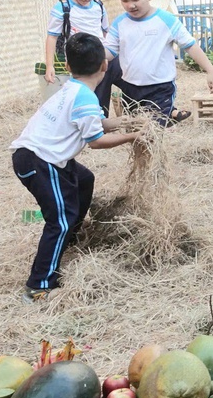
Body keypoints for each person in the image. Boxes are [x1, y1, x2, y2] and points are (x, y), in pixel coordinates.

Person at [11, 33, 143, 301]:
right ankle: (39, 285)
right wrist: (133, 137)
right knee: (58, 220)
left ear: (68, 67)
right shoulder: (84, 97)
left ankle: (71, 235)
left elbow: (94, 122)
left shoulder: (73, 90)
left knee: (84, 180)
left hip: (37, 156)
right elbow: (96, 141)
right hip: (40, 161)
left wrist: (125, 122)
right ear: (104, 66)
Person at [104, 0, 213, 125]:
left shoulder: (166, 20)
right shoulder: (119, 23)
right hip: (130, 89)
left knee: (152, 131)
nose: (131, 5)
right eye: (125, 0)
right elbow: (109, 51)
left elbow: (190, 45)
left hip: (160, 89)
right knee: (135, 131)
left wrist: (210, 70)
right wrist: (88, 57)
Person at [44, 0, 122, 116]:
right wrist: (49, 66)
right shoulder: (62, 8)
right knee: (97, 98)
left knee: (129, 76)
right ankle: (98, 127)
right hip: (82, 60)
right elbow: (52, 37)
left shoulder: (99, 7)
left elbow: (106, 33)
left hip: (102, 55)